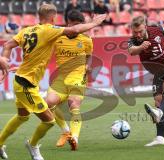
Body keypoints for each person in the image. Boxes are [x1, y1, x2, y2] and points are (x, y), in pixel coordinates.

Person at [0, 3, 105, 160]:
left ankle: (1, 143)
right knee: (48, 121)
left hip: (22, 79)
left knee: (23, 116)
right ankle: (33, 146)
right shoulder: (50, 31)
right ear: (54, 17)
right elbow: (74, 30)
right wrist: (95, 23)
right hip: (26, 85)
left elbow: (8, 45)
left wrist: (5, 59)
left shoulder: (28, 30)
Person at [127, 16, 164, 146]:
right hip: (158, 73)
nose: (138, 34)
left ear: (145, 27)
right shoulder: (134, 41)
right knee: (158, 100)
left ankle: (159, 112)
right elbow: (131, 51)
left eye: (140, 31)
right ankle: (160, 138)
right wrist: (141, 47)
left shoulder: (156, 30)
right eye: (135, 32)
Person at [45, 9, 93, 151]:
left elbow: (89, 56)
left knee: (74, 104)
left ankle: (75, 138)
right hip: (61, 78)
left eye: (79, 25)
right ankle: (66, 131)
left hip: (78, 76)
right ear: (68, 23)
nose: (76, 29)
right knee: (48, 103)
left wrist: (88, 66)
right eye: (74, 25)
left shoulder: (86, 40)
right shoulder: (57, 37)